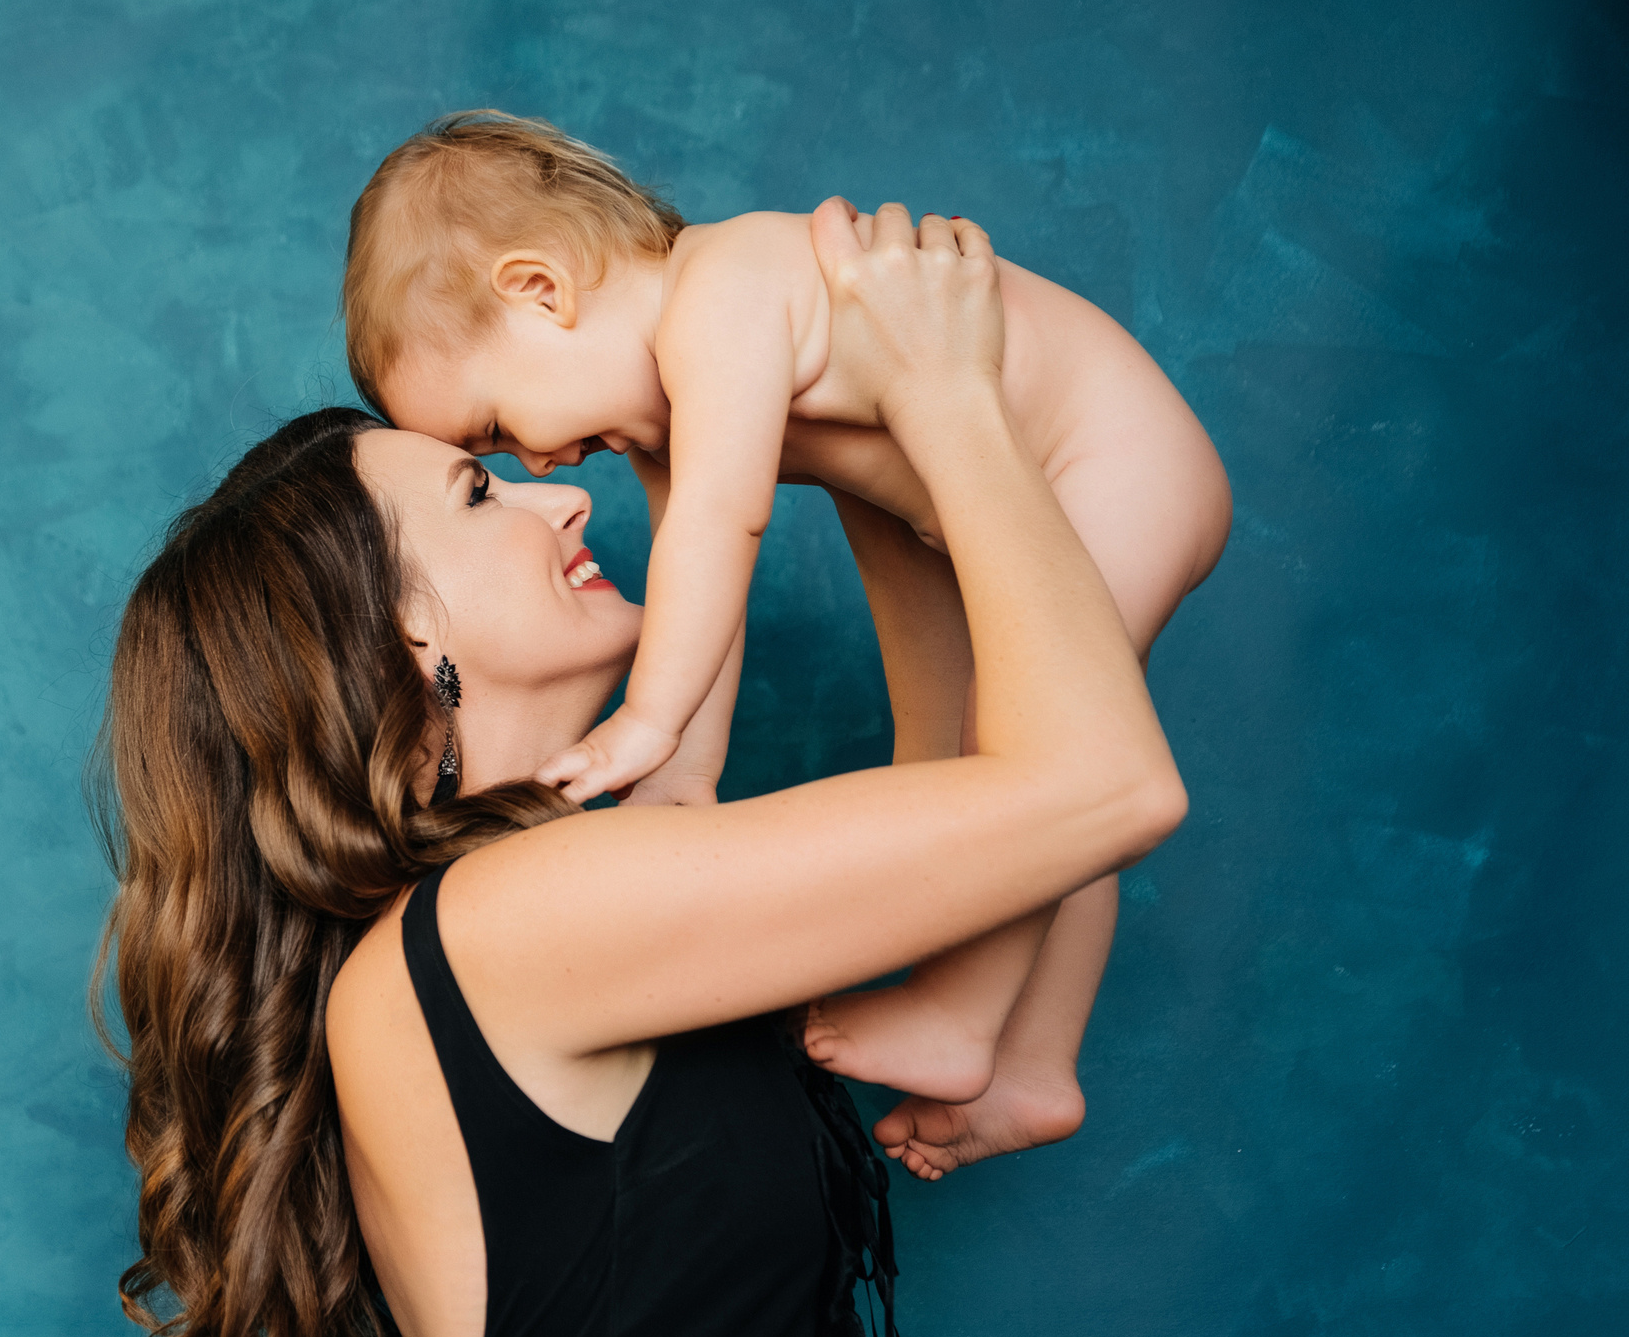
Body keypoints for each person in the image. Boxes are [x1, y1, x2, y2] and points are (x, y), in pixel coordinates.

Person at [98, 204, 1184, 1337]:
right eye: (478, 497)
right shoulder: (515, 925)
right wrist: (951, 401)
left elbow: (974, 783)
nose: (560, 495)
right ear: (406, 656)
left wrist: (885, 464)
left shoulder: (550, 902)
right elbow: (1104, 785)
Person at [342, 110, 1229, 1179]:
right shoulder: (660, 409)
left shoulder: (725, 285)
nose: (537, 462)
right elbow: (693, 580)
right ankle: (1034, 1063)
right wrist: (681, 783)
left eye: (491, 429)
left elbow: (726, 524)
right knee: (1006, 775)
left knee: (1030, 751)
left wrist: (648, 719)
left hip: (1111, 460)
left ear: (540, 289)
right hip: (988, 495)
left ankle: (961, 1012)